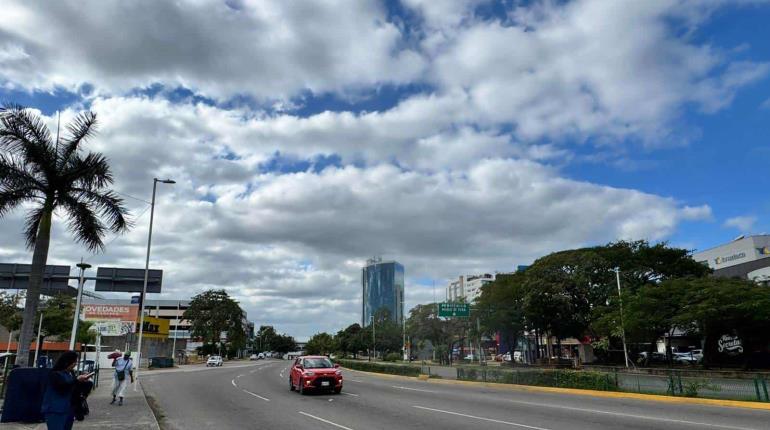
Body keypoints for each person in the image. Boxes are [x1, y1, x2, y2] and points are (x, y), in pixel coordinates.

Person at [41, 351, 91, 430]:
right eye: (74, 362)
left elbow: (74, 389)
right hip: (56, 410)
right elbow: (62, 387)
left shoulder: (70, 373)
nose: (75, 364)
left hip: (68, 409)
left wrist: (84, 383)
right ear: (67, 362)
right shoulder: (54, 374)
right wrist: (76, 380)